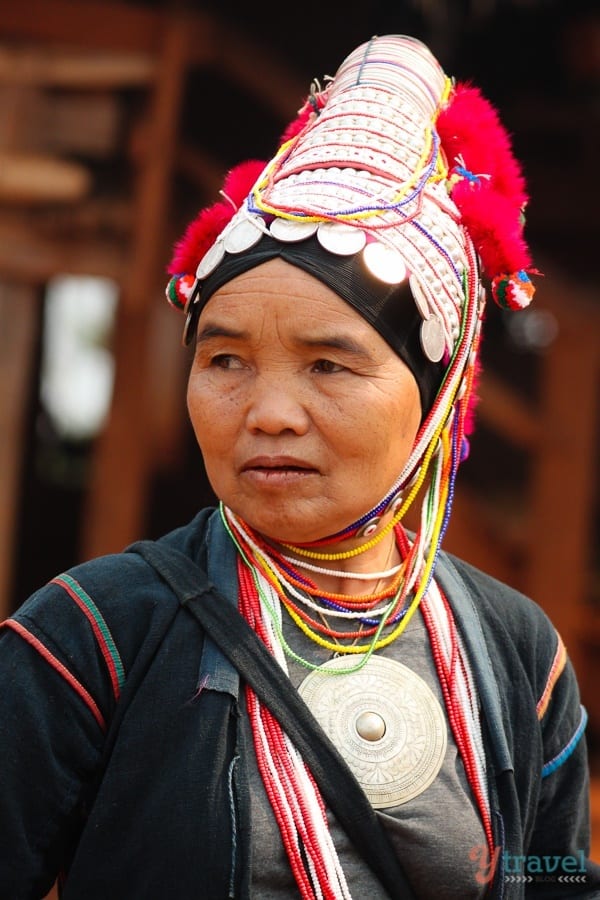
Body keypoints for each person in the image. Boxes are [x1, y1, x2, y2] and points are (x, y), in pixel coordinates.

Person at [1, 33, 598, 900]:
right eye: (224, 360)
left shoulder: (516, 655)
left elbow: (553, 876)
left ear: (433, 404)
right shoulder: (89, 638)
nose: (268, 411)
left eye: (329, 364)